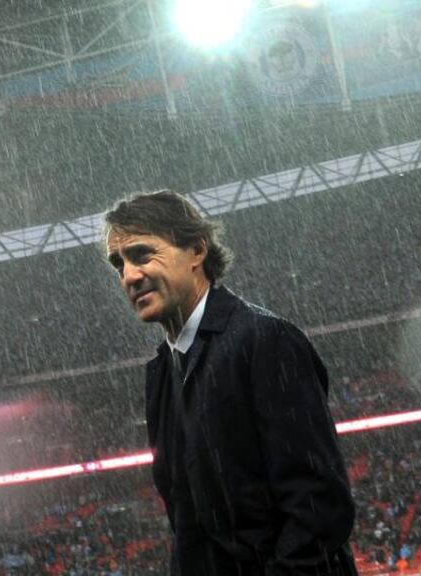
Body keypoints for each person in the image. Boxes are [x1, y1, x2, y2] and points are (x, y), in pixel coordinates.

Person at [103, 190, 358, 575]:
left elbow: (318, 504)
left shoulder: (264, 340)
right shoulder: (160, 372)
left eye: (141, 254)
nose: (129, 276)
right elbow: (189, 525)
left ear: (196, 250)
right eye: (118, 264)